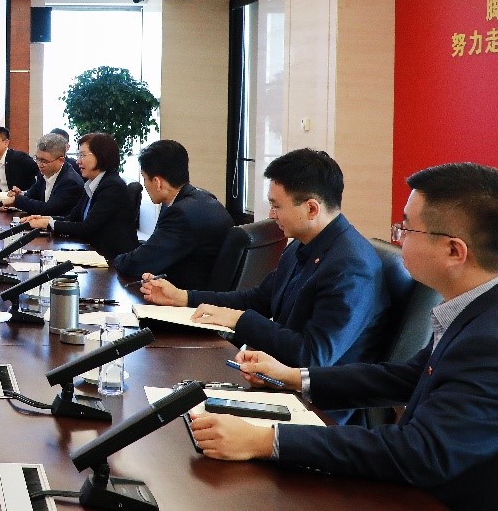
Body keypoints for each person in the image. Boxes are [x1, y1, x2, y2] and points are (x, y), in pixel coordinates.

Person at [190, 162, 498, 511]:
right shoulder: (496, 302)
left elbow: (420, 453)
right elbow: (407, 377)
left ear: (454, 251)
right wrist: (295, 377)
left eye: (407, 229)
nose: (398, 237)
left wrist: (265, 440)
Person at [141, 148, 389, 422]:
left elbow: (311, 357)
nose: (271, 214)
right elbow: (259, 299)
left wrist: (239, 320)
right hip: (279, 382)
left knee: (189, 420)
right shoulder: (302, 246)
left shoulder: (352, 266)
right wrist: (184, 297)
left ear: (311, 208)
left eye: (277, 206)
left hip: (318, 411)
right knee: (178, 399)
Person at [111, 140, 233, 290]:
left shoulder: (181, 214)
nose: (144, 184)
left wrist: (115, 260)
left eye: (144, 178)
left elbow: (137, 263)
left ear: (157, 182)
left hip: (190, 297)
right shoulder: (201, 198)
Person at [22, 132, 141, 259]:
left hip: (112, 259)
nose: (78, 161)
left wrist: (48, 223)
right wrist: (44, 219)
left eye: (82, 155)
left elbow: (87, 228)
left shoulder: (112, 186)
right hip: (93, 252)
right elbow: (73, 218)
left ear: (101, 156)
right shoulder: (92, 183)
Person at [0, 131, 83, 216]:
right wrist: (19, 195)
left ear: (61, 160)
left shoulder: (70, 182)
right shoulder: (43, 173)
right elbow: (32, 195)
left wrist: (17, 201)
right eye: (37, 159)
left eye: (44, 161)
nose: (39, 165)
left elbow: (49, 210)